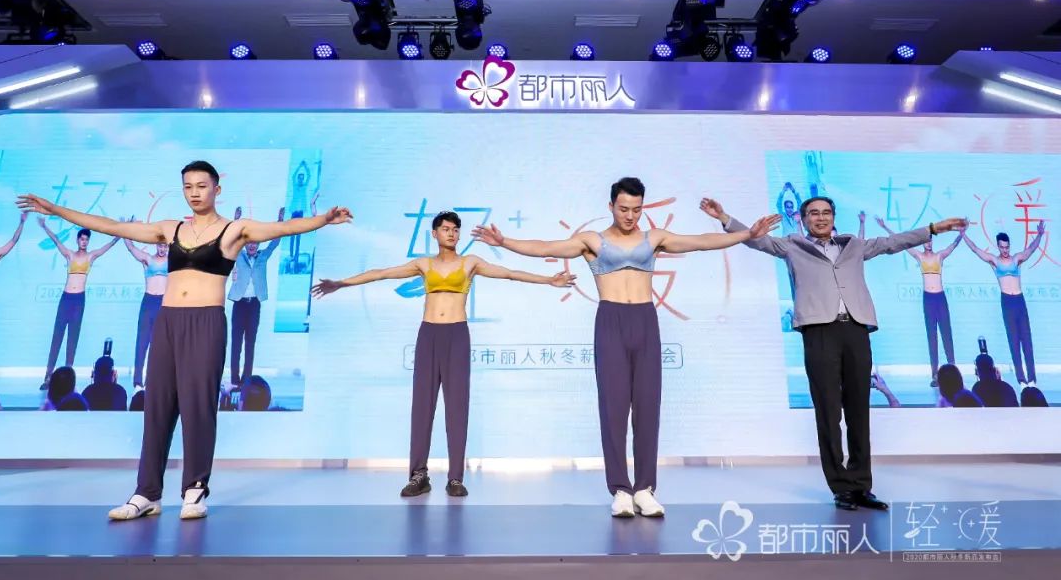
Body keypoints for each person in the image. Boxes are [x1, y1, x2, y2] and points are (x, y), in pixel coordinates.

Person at [18, 160, 351, 521]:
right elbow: (113, 226)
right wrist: (56, 210)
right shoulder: (171, 229)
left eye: (201, 186)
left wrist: (323, 219)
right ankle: (146, 493)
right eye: (188, 187)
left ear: (217, 190)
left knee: (198, 406)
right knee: (157, 405)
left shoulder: (234, 230)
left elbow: (283, 227)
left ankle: (195, 489)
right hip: (168, 321)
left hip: (206, 322)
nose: (194, 193)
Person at [471, 179, 780, 518]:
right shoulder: (592, 241)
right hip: (611, 321)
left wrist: (747, 234)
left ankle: (645, 489)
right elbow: (546, 246)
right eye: (623, 209)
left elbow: (702, 242)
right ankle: (620, 489)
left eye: (636, 209)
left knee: (648, 406)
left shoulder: (654, 238)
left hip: (645, 320)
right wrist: (505, 242)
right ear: (611, 207)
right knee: (614, 408)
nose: (630, 216)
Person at [705, 195, 965, 511]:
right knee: (828, 411)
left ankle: (861, 485)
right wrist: (725, 217)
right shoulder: (793, 245)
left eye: (826, 212)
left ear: (833, 217)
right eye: (814, 213)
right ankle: (840, 487)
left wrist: (933, 229)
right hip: (819, 331)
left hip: (855, 329)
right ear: (804, 219)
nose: (821, 218)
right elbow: (756, 241)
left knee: (858, 411)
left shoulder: (854, 245)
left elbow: (892, 243)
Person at [314, 210, 575, 499]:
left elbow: (509, 274)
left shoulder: (470, 262)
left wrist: (548, 280)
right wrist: (341, 283)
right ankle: (418, 475)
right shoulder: (424, 264)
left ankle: (455, 478)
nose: (451, 233)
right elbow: (381, 273)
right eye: (446, 229)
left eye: (455, 229)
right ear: (434, 233)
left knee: (457, 408)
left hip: (457, 336)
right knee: (422, 407)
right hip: (429, 335)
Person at [877, 217, 963, 386]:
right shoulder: (919, 256)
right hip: (928, 299)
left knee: (946, 334)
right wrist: (885, 227)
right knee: (932, 336)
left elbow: (953, 246)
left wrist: (961, 234)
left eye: (930, 241)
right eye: (925, 242)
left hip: (940, 298)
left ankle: (953, 369)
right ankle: (935, 375)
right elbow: (902, 242)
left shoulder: (939, 256)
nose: (928, 244)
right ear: (923, 243)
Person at [38, 218, 119, 389]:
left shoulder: (91, 256)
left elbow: (108, 246)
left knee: (72, 338)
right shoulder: (70, 255)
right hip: (66, 299)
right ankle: (47, 377)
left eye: (86, 240)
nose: (84, 242)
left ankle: (68, 378)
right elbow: (56, 240)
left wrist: (118, 236)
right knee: (57, 337)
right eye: (82, 239)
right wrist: (45, 226)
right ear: (77, 240)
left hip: (79, 300)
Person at [962, 222, 1045, 386]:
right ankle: (1021, 380)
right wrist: (963, 235)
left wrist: (1040, 235)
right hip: (1007, 302)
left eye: (1007, 247)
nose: (1005, 250)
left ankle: (1032, 379)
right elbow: (975, 249)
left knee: (1027, 341)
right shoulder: (994, 260)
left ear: (1009, 246)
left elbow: (1031, 249)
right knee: (1014, 341)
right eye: (1002, 247)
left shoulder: (1016, 259)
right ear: (998, 246)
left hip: (1019, 300)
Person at [227, 207, 285, 387]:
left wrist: (280, 221)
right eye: (249, 243)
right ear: (245, 244)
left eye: (255, 243)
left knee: (250, 343)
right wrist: (235, 220)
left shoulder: (263, 257)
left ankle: (246, 379)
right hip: (239, 304)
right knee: (236, 343)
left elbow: (275, 242)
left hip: (254, 305)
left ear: (258, 244)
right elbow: (231, 239)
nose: (252, 246)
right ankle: (234, 380)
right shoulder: (239, 255)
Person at [124, 235, 169, 389]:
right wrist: (126, 231)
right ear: (156, 245)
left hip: (162, 303)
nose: (162, 249)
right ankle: (137, 381)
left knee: (159, 345)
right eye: (160, 246)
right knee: (142, 343)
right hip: (148, 302)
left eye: (165, 246)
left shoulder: (172, 261)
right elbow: (131, 248)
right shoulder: (148, 259)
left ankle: (153, 381)